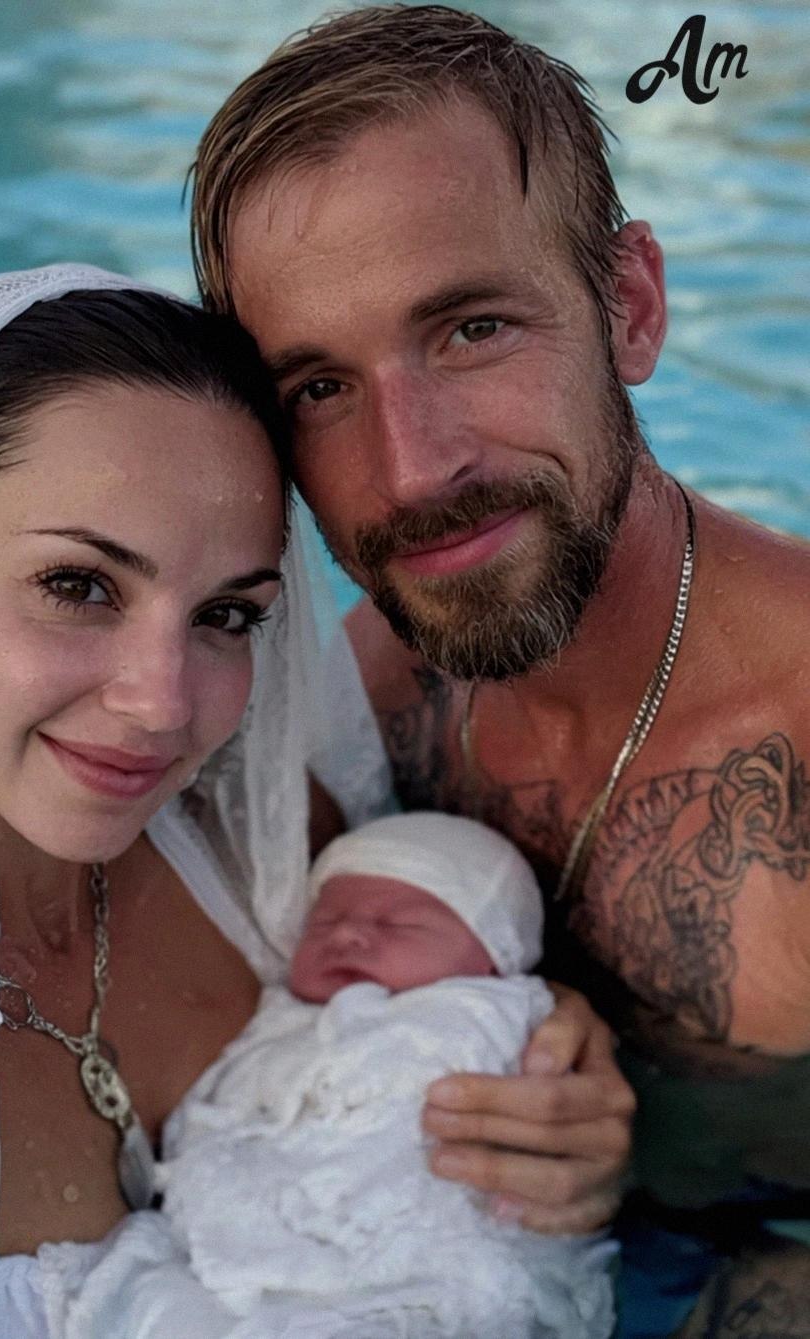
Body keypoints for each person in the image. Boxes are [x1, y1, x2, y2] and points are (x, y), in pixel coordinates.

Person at [188, 6, 810, 1335]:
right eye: (317, 388)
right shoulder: (360, 699)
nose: (411, 469)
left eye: (471, 328)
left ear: (629, 307)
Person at [0, 262, 401, 1338]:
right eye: (79, 586)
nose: (161, 703)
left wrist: (542, 1106)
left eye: (227, 614)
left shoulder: (268, 852)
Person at [156, 811, 616, 1338]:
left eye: (401, 925)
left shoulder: (490, 1013)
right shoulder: (277, 1018)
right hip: (261, 1247)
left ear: (495, 962)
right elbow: (214, 1106)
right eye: (323, 921)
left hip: (427, 1253)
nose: (347, 933)